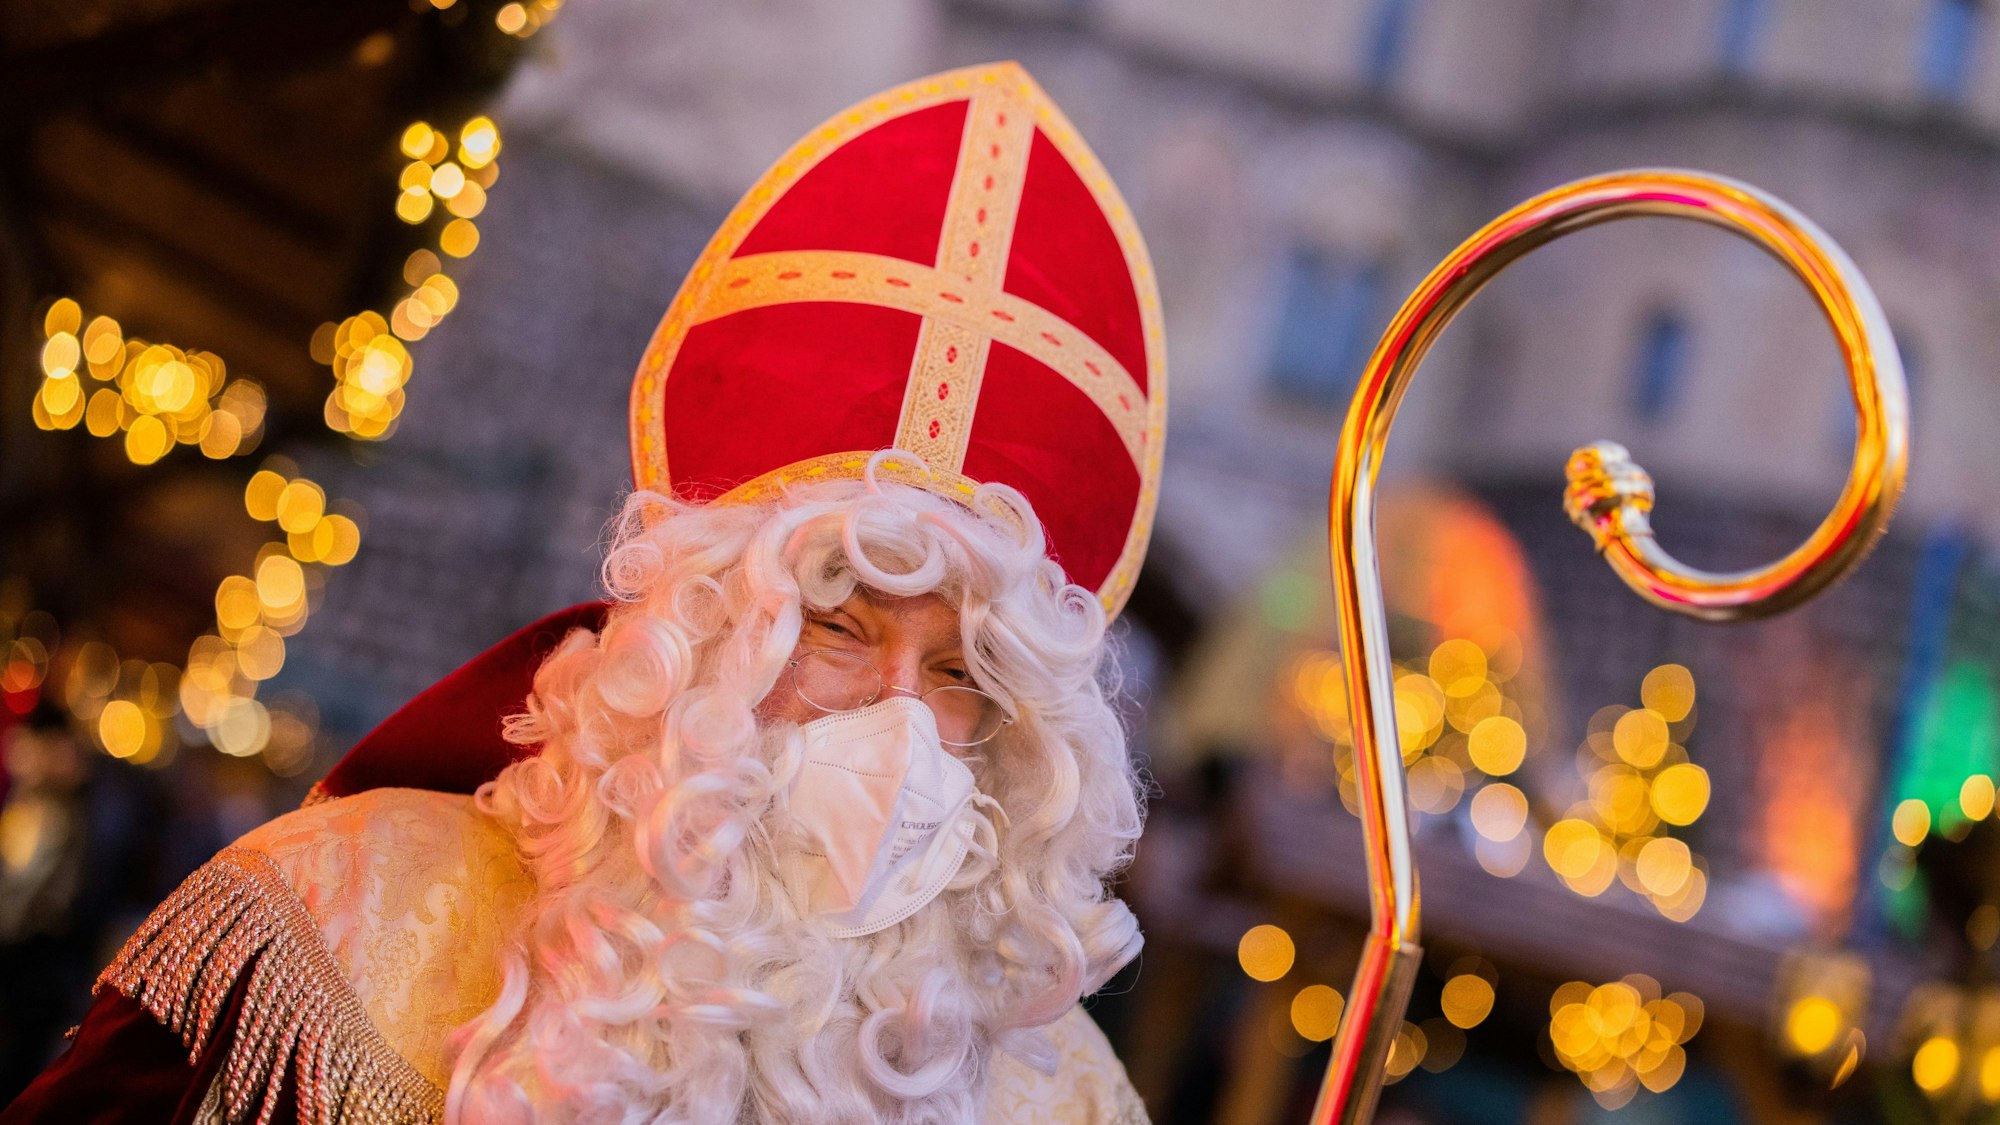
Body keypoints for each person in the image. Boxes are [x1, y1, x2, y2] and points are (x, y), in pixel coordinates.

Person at [3, 59, 1167, 1124]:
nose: (900, 719)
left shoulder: (1064, 1094)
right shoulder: (354, 913)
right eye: (835, 626)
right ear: (706, 639)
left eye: (962, 670)